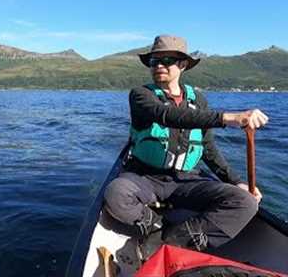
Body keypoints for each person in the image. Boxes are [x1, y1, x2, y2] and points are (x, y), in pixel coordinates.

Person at [103, 35, 268, 266]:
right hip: (144, 176)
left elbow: (208, 148)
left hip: (185, 180)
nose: (159, 66)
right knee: (116, 193)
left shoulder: (197, 100)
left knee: (246, 202)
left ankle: (172, 241)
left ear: (183, 65)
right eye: (153, 62)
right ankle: (154, 225)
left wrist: (236, 180)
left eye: (167, 60)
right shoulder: (141, 95)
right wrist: (227, 118)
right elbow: (167, 115)